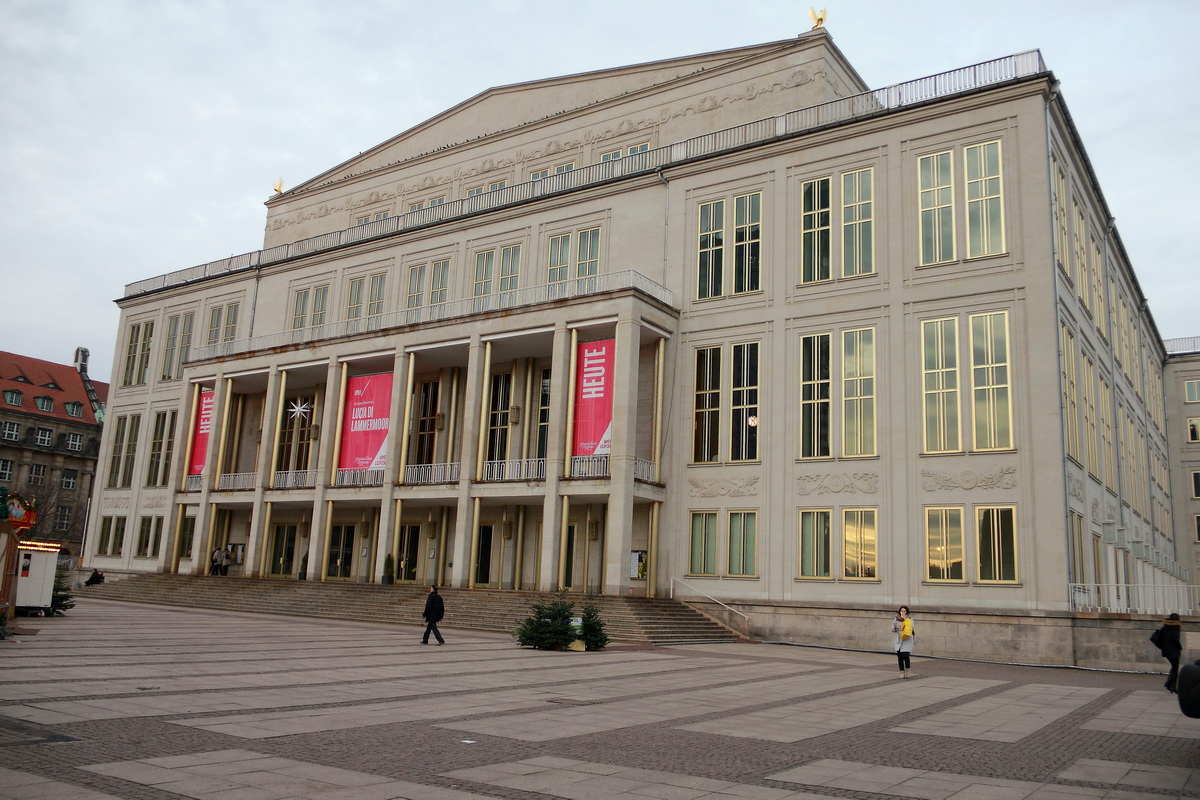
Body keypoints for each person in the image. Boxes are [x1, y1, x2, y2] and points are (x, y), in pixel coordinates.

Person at [1150, 612, 1183, 692]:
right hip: (1174, 651)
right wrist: (1180, 648)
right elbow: (1176, 640)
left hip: (1166, 650)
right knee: (1175, 668)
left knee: (1173, 667)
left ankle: (1169, 684)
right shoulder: (1176, 627)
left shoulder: (1165, 627)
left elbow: (1160, 638)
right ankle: (1172, 686)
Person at [892, 605, 915, 679]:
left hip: (907, 639)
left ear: (907, 612)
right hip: (899, 639)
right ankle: (901, 671)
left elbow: (912, 628)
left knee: (905, 655)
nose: (902, 612)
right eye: (901, 611)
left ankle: (908, 669)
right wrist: (895, 627)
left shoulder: (910, 619)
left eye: (904, 611)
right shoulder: (896, 619)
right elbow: (892, 629)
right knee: (900, 656)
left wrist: (905, 620)